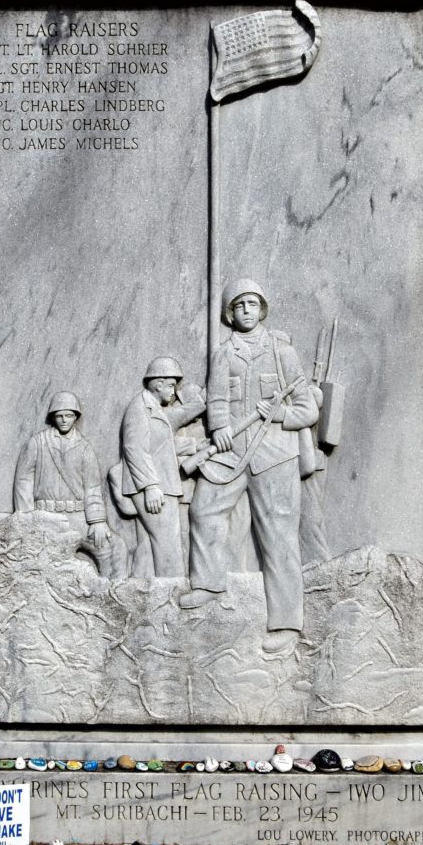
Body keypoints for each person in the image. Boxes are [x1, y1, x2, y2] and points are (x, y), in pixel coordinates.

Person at [180, 279, 318, 652]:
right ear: (230, 313)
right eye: (238, 305)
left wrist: (276, 415)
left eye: (252, 304)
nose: (245, 310)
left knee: (278, 535)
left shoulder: (282, 352)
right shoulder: (224, 354)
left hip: (274, 454)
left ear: (262, 309)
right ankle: (208, 583)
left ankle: (287, 624)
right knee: (204, 509)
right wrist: (220, 428)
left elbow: (308, 409)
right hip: (231, 452)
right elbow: (218, 400)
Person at [13, 391, 127, 579]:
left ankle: (112, 597)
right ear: (53, 417)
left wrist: (98, 521)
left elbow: (92, 487)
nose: (64, 420)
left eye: (69, 415)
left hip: (78, 517)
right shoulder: (38, 443)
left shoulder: (84, 448)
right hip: (46, 517)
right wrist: (27, 519)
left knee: (115, 547)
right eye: (59, 416)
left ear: (76, 417)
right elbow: (23, 481)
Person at [120, 357, 205, 579]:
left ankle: (144, 593)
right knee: (168, 545)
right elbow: (135, 448)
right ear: (158, 384)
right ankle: (170, 596)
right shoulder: (140, 408)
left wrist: (202, 404)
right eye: (170, 385)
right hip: (155, 487)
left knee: (153, 543)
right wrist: (150, 486)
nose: (173, 391)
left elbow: (167, 432)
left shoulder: (153, 407)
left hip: (162, 485)